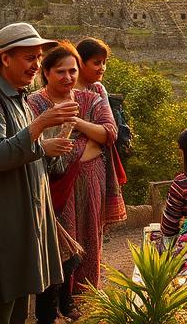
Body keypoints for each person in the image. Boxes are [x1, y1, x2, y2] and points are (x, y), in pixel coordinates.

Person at [0, 22, 77, 324]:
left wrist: (48, 146)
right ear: (5, 59)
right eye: (29, 58)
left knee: (17, 308)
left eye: (38, 57)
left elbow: (26, 149)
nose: (36, 65)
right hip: (1, 218)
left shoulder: (16, 96)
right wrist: (41, 124)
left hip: (23, 216)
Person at [27, 42, 126, 323]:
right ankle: (53, 304)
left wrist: (77, 123)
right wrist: (86, 146)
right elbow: (40, 144)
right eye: (61, 71)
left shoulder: (90, 99)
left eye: (72, 71)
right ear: (46, 73)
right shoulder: (34, 103)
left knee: (89, 238)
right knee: (60, 241)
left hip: (90, 180)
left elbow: (108, 133)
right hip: (52, 183)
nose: (68, 77)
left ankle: (84, 298)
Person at [75, 37, 110, 102]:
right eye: (97, 63)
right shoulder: (66, 89)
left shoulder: (98, 88)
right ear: (80, 63)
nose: (102, 68)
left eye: (104, 62)